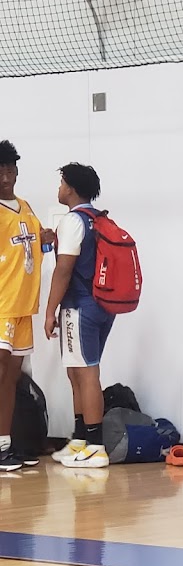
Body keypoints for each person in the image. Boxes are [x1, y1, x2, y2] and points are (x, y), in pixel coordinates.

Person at [45, 163, 114, 469]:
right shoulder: (97, 219)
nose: (59, 188)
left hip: (80, 305)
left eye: (61, 183)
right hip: (102, 305)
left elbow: (64, 270)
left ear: (71, 188)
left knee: (86, 374)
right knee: (76, 372)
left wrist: (50, 311)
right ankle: (80, 440)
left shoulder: (73, 220)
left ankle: (96, 446)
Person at [0, 140, 54, 471]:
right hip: (2, 302)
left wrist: (47, 238)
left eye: (10, 169)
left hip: (23, 306)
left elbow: (34, 241)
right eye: (0, 170)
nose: (6, 175)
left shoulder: (25, 206)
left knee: (12, 378)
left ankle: (6, 443)